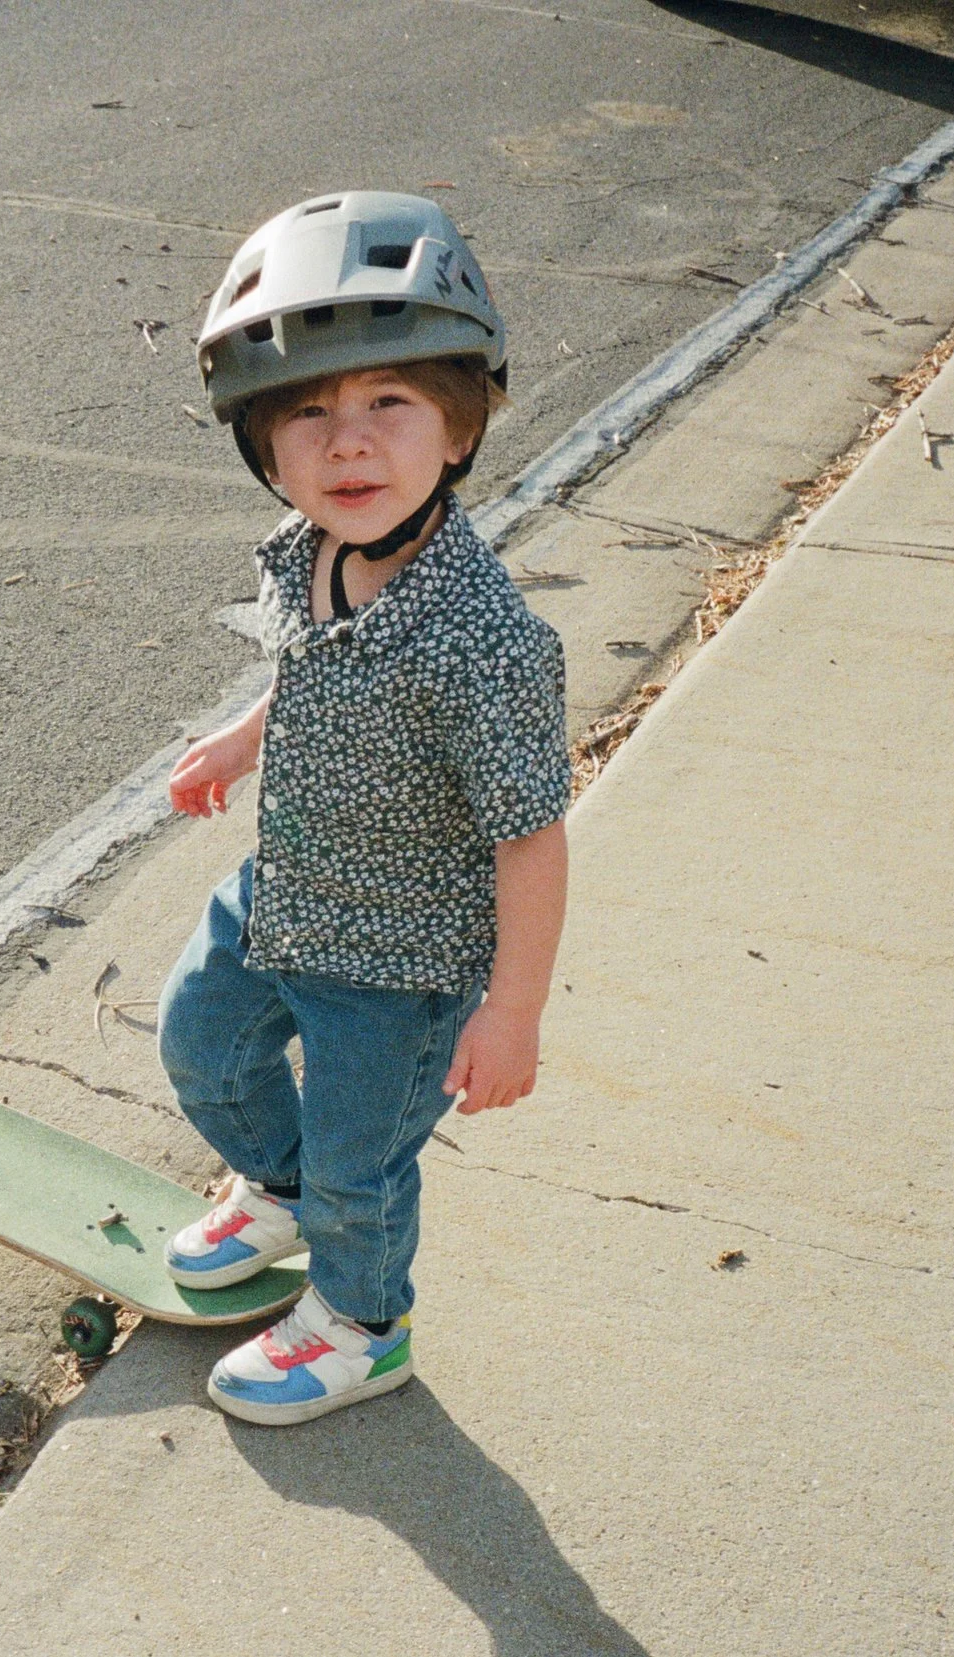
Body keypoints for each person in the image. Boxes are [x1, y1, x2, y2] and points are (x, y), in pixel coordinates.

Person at [156, 191, 571, 1426]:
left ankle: (357, 1324)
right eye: (308, 412)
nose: (347, 444)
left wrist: (514, 1009)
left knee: (362, 1171)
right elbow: (311, 664)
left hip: (399, 965)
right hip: (281, 895)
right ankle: (274, 1189)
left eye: (388, 401)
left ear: (458, 424)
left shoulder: (484, 644)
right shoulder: (312, 549)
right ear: (264, 447)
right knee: (202, 1047)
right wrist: (241, 737)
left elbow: (529, 833)